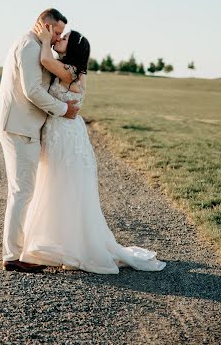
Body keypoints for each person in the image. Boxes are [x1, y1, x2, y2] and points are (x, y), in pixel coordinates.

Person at [19, 21, 167, 274]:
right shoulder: (72, 69)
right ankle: (58, 242)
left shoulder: (70, 71)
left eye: (63, 37)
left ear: (73, 48)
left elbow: (44, 60)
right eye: (59, 35)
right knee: (56, 183)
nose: (58, 39)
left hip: (65, 134)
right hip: (62, 130)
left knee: (63, 184)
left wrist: (45, 40)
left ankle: (72, 246)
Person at [0, 8, 80, 273]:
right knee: (22, 191)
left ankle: (18, 250)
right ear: (44, 25)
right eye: (57, 32)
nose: (58, 38)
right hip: (19, 126)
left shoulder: (35, 45)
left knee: (23, 190)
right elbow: (32, 90)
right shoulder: (29, 46)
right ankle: (13, 256)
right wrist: (64, 110)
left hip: (22, 125)